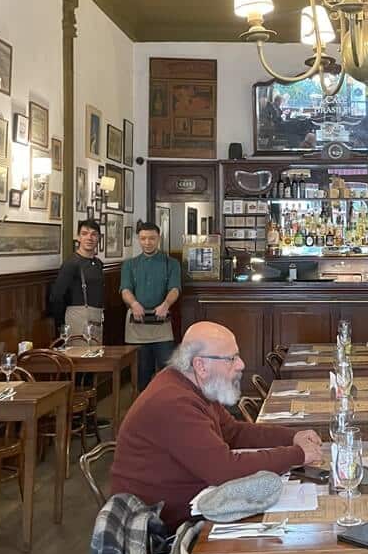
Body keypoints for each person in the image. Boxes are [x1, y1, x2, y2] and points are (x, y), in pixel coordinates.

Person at [110, 321, 322, 529]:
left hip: (192, 504)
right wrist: (297, 455)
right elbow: (225, 469)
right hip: (162, 527)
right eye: (231, 359)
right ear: (200, 365)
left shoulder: (192, 386)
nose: (241, 365)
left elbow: (233, 432)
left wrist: (291, 437)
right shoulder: (173, 402)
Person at [120, 223, 183, 390]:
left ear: (158, 239)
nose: (147, 242)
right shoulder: (129, 264)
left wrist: (166, 304)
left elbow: (175, 288)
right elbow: (125, 289)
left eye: (151, 238)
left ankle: (168, 406)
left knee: (168, 371)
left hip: (162, 323)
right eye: (143, 238)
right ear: (138, 240)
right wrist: (133, 304)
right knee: (142, 371)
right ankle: (143, 408)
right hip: (137, 323)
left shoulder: (171, 263)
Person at [49, 219, 105, 338]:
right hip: (76, 320)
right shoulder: (71, 264)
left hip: (96, 319)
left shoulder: (99, 263)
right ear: (78, 237)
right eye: (84, 234)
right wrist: (61, 326)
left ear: (99, 238)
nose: (89, 238)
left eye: (93, 234)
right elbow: (56, 297)